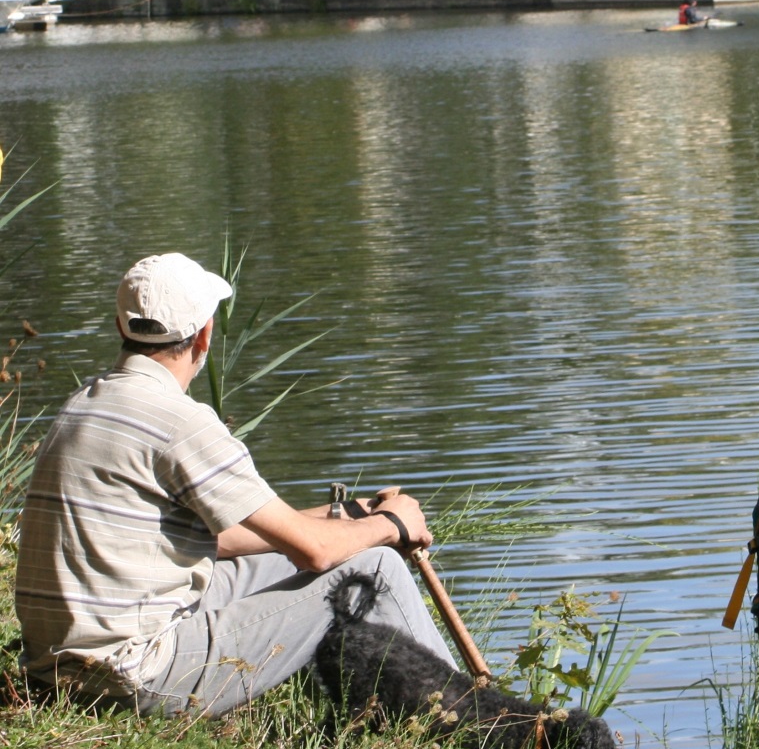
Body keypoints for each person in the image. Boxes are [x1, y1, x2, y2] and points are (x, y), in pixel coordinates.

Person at [14, 253, 455, 716]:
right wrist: (390, 524)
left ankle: (389, 714)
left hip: (55, 674)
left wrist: (341, 517)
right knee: (377, 565)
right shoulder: (178, 421)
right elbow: (317, 554)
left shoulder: (83, 404)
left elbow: (216, 537)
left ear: (121, 327)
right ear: (204, 335)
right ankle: (471, 719)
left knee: (304, 555)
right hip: (132, 677)